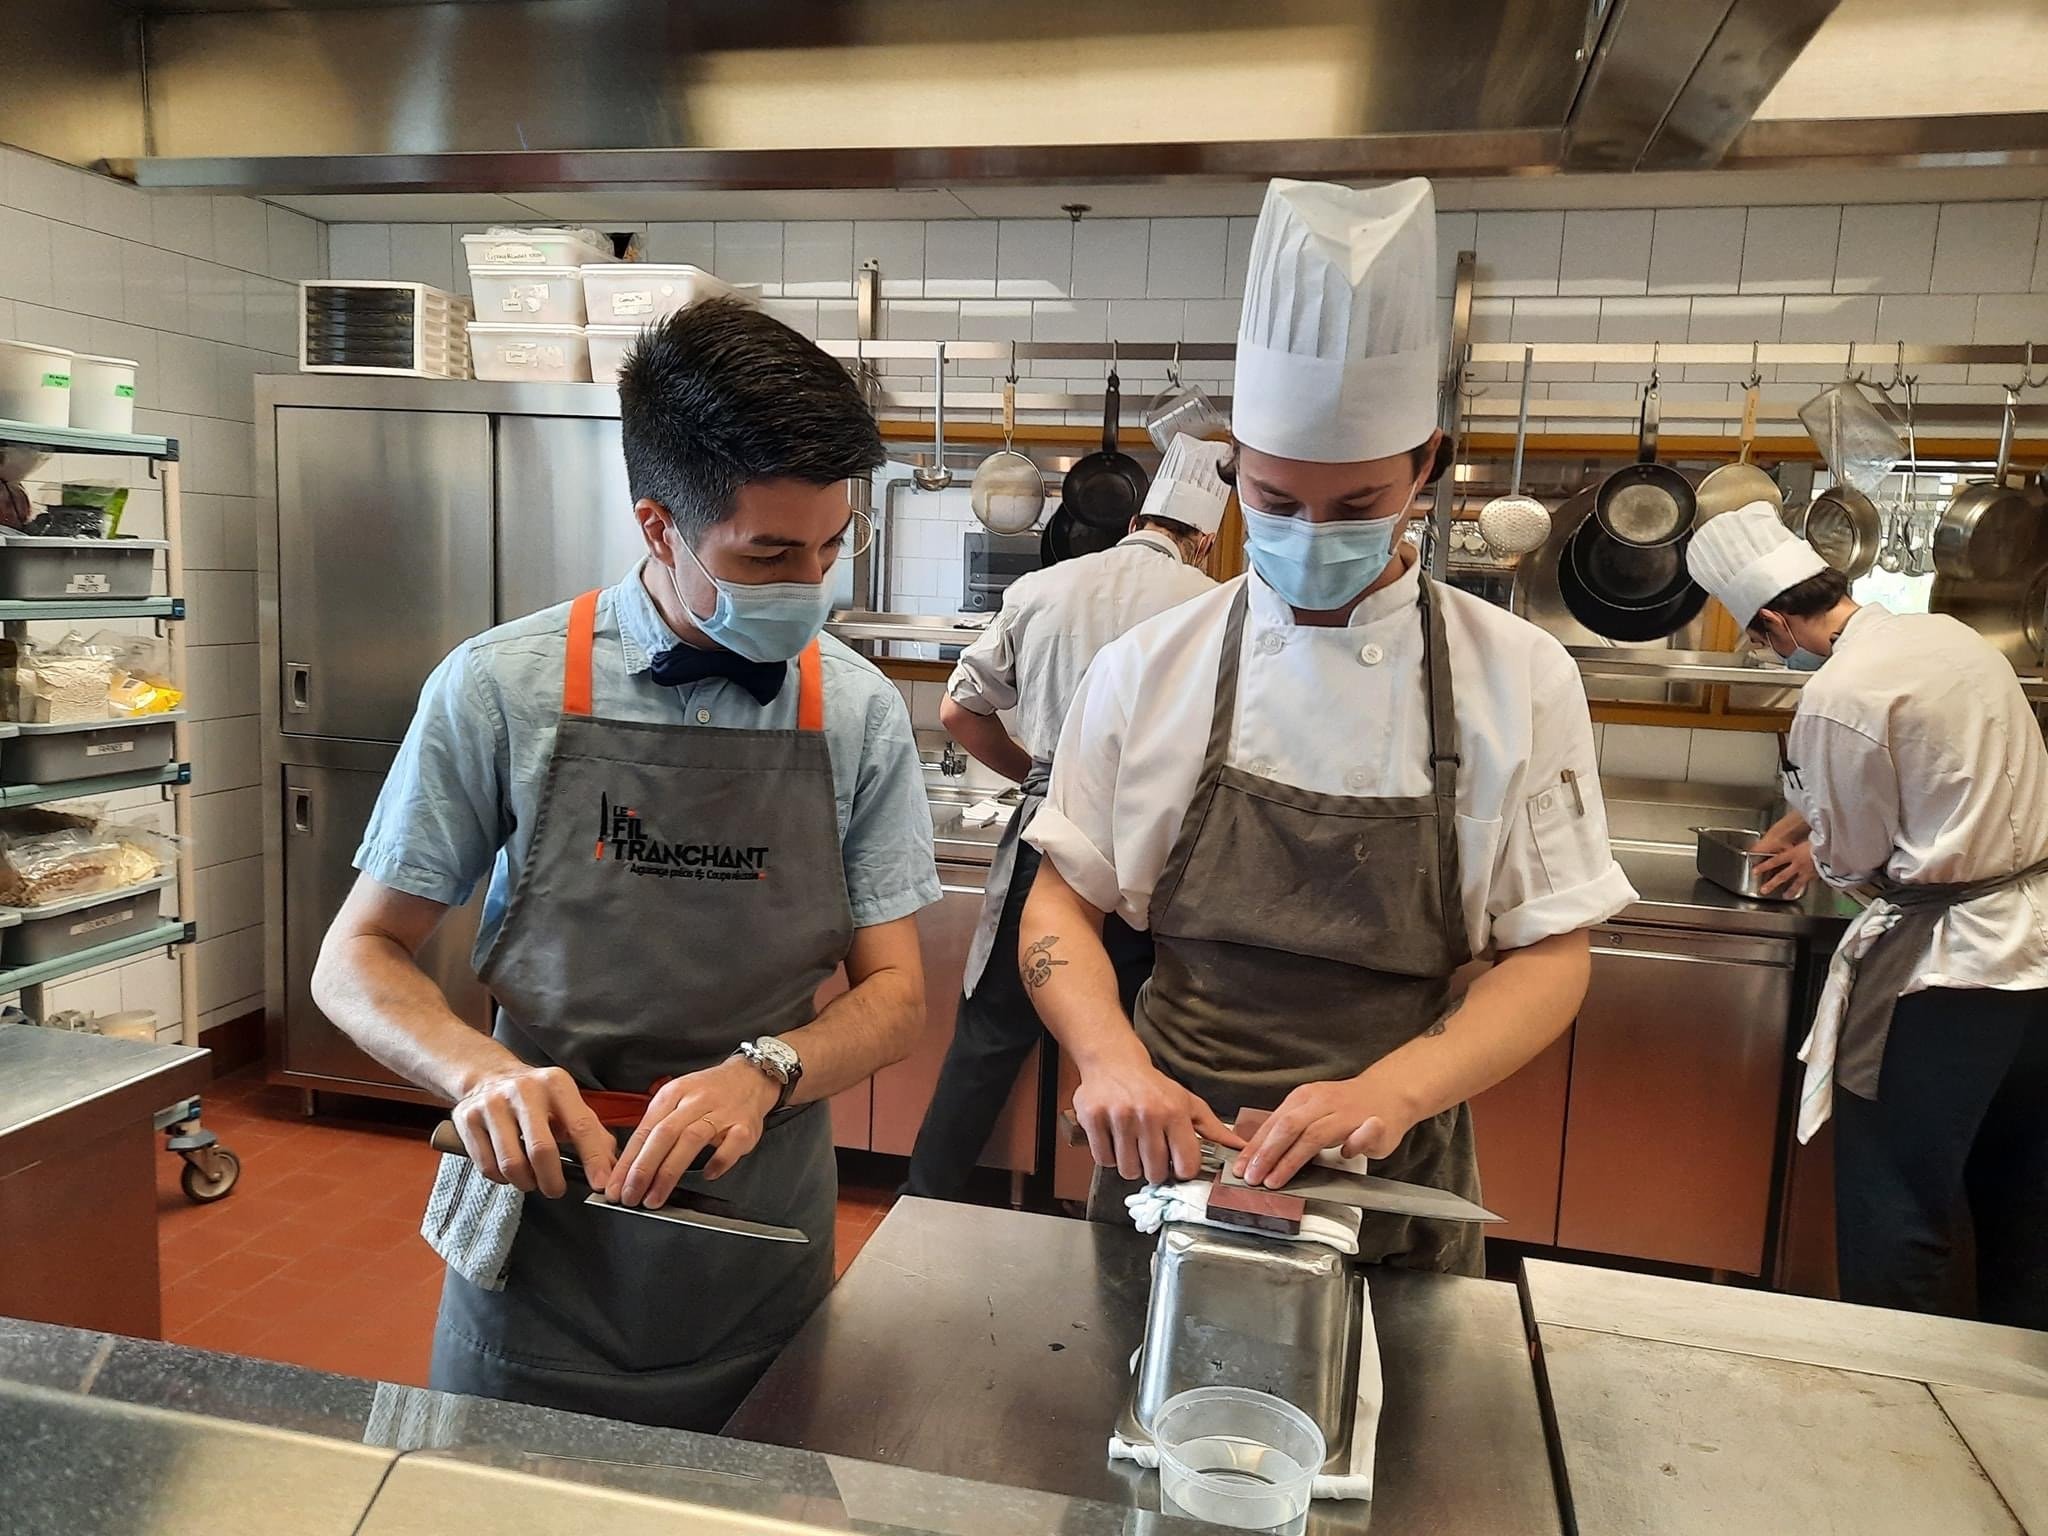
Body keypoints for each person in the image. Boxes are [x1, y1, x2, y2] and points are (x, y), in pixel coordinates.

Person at [312, 299, 941, 1430]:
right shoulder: (501, 688)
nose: (809, 582)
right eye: (767, 554)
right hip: (540, 1226)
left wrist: (767, 1071)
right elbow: (357, 956)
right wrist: (478, 1074)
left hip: (758, 1226)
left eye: (829, 546)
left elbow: (895, 999)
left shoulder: (853, 712)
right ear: (658, 525)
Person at [1016, 177, 1637, 1275]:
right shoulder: (1148, 666)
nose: (1310, 535)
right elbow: (1064, 892)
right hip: (1170, 1158)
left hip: (1389, 1167)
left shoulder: (1518, 678)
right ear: (1234, 473)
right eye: (1275, 501)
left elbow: (1549, 950)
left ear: (1426, 468)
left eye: (1354, 506)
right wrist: (1108, 1057)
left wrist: (1391, 1091)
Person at [1686, 503, 2048, 1328]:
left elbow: (1851, 859)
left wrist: (1823, 842)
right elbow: (1940, 778)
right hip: (2036, 951)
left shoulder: (1838, 693)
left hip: (1949, 972)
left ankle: (1897, 1398)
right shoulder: (1947, 638)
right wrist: (1809, 817)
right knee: (2022, 1198)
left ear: (1775, 618)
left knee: (1896, 1202)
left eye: (1758, 636)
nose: (1766, 650)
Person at [904, 437, 1228, 1201]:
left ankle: (922, 1205)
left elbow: (958, 710)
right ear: (1204, 539)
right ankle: (1147, 1223)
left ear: (1133, 520)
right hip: (1163, 855)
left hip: (1049, 838)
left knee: (989, 1038)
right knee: (1148, 1050)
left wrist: (1041, 778)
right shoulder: (1217, 605)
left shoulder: (1046, 587)